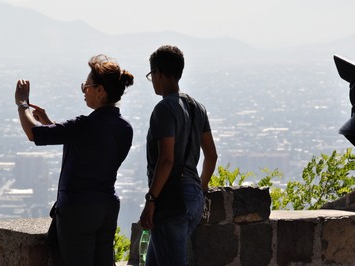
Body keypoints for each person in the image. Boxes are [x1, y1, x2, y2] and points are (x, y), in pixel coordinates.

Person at [14, 54, 134, 266]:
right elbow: (91, 148)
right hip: (106, 207)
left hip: (78, 209)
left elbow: (34, 134)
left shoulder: (85, 125)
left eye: (86, 86)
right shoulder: (125, 128)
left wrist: (22, 104)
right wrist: (50, 123)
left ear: (100, 91)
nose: (83, 91)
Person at [140, 45, 218, 265]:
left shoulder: (164, 109)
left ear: (158, 73)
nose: (152, 80)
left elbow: (167, 160)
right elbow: (211, 155)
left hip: (171, 199)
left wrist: (151, 199)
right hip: (193, 197)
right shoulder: (197, 107)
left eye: (151, 75)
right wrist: (199, 188)